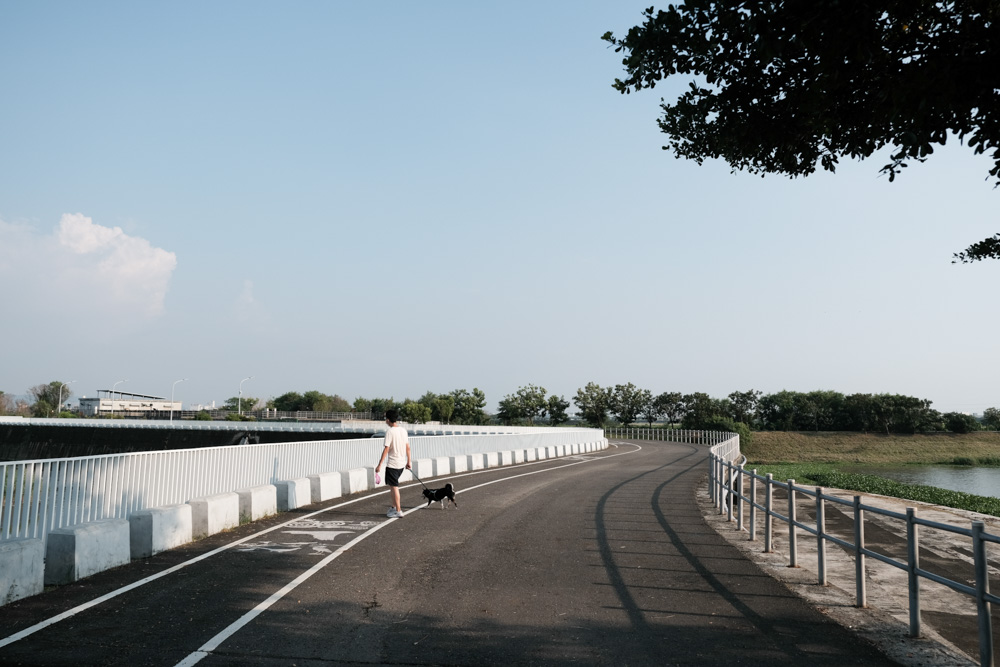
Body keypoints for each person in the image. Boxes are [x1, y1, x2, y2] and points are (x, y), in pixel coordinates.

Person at [375, 408, 411, 518]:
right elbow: (407, 447)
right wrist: (408, 461)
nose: (385, 420)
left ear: (388, 419)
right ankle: (393, 507)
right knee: (392, 486)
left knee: (394, 487)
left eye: (386, 418)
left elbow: (386, 449)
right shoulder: (403, 430)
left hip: (393, 464)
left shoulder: (390, 432)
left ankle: (398, 510)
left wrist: (379, 464)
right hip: (401, 463)